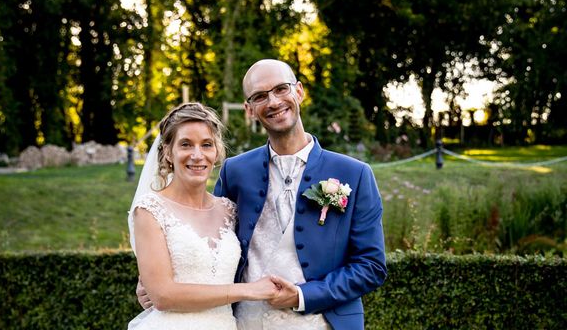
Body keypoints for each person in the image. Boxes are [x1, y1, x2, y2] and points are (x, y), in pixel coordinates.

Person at [213, 59, 387, 329]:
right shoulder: (234, 171)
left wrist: (303, 296)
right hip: (246, 323)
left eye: (281, 89)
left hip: (322, 323)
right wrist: (161, 282)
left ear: (299, 91)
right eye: (260, 96)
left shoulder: (355, 174)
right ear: (249, 109)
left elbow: (371, 266)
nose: (273, 102)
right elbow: (209, 242)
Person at [127, 102, 282, 330]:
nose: (197, 155)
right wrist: (248, 291)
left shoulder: (229, 210)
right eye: (186, 144)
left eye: (206, 145)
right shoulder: (150, 210)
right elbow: (162, 296)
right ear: (168, 151)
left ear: (217, 151)